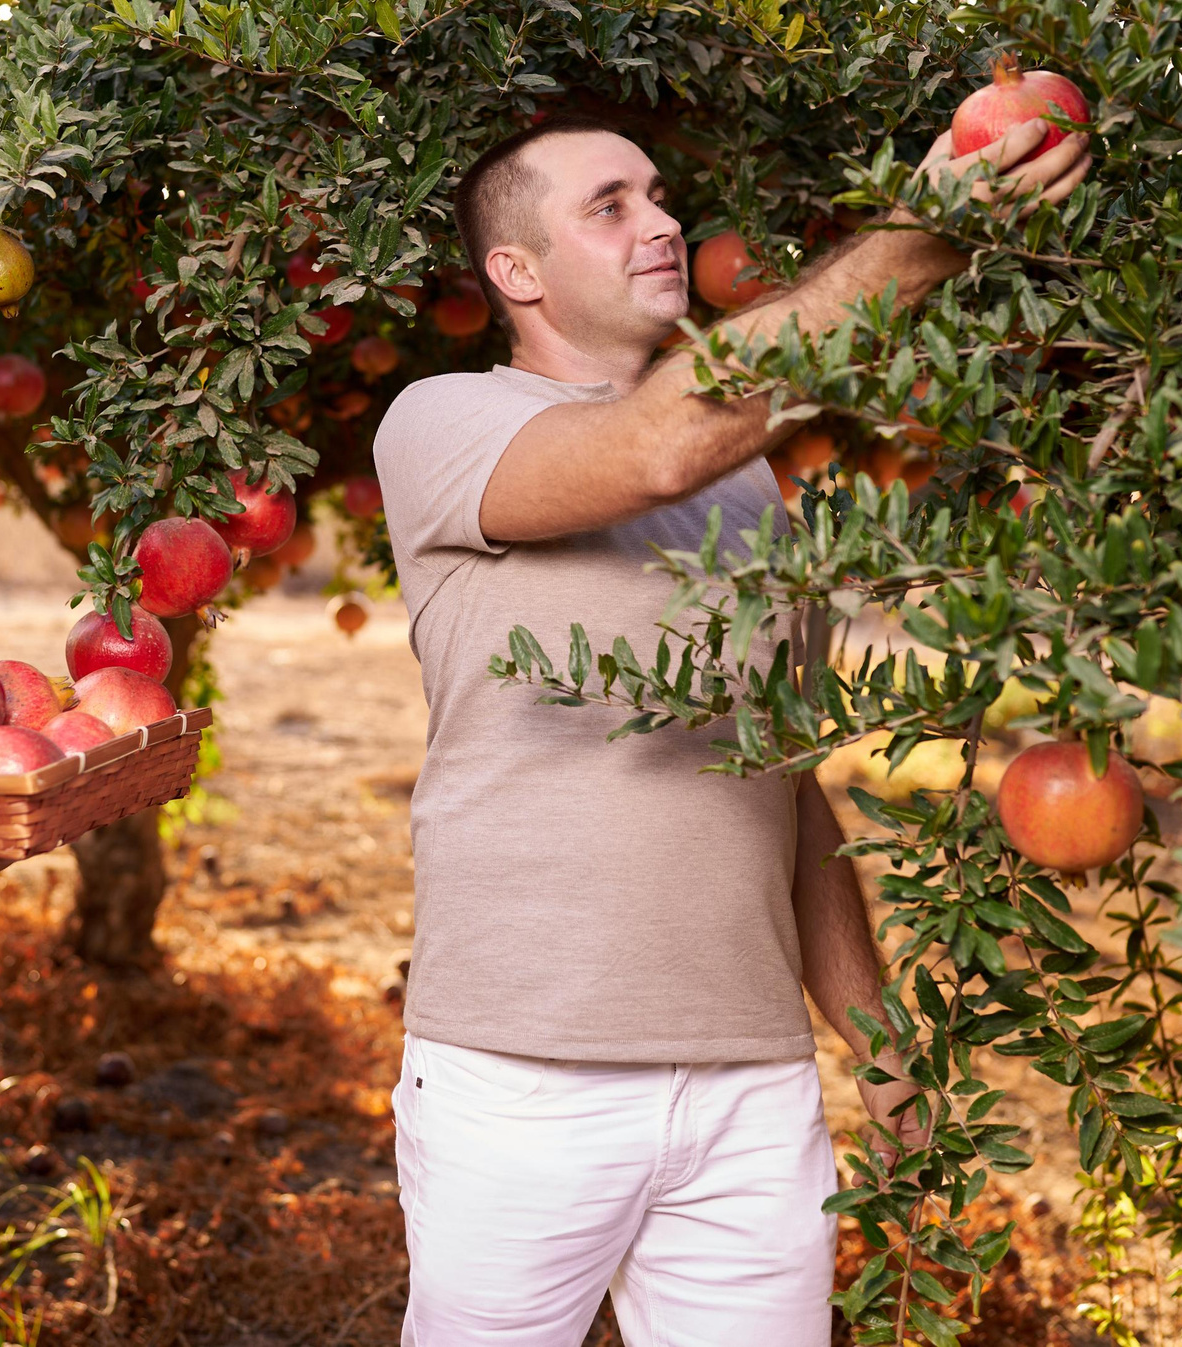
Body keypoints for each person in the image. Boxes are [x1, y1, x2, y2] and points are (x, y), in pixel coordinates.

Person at [373, 112, 1091, 1345]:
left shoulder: (750, 487)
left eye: (659, 195)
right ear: (517, 272)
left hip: (750, 1090)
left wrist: (878, 1046)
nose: (661, 224)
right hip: (523, 1082)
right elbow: (650, 450)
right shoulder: (442, 425)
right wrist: (923, 237)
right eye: (610, 206)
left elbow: (786, 788)